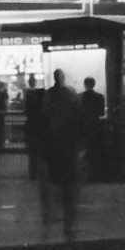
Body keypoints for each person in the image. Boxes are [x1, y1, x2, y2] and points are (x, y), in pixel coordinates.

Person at [41, 69, 84, 234]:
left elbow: (44, 119)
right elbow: (78, 120)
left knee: (54, 180)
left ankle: (53, 213)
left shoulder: (49, 95)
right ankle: (69, 218)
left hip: (54, 146)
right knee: (69, 183)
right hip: (68, 147)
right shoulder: (70, 95)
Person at [80, 76, 107, 181]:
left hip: (85, 127)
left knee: (85, 150)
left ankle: (86, 174)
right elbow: (101, 112)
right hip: (96, 126)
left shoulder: (81, 97)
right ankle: (95, 174)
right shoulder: (100, 97)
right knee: (95, 150)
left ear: (85, 85)